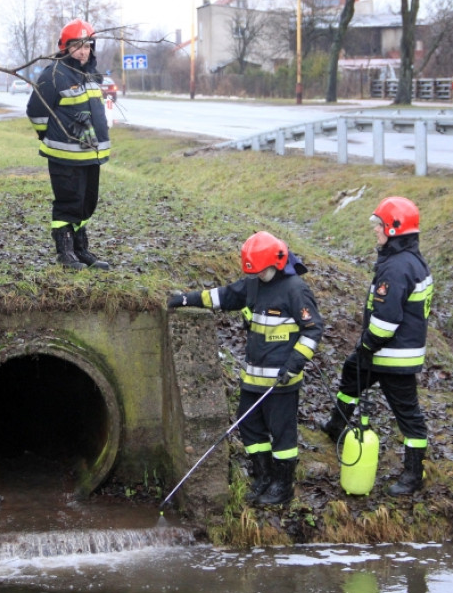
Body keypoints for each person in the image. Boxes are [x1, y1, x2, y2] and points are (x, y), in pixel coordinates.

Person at [168, 231, 324, 506]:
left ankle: (282, 485)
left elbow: (312, 331)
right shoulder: (253, 283)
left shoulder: (295, 290)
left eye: (261, 271)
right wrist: (185, 299)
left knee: (282, 434)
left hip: (281, 381)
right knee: (249, 425)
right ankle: (262, 475)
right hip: (253, 378)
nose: (257, 276)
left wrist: (294, 364)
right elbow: (223, 296)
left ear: (275, 263)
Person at [321, 196, 433, 495]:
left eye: (379, 226)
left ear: (394, 229)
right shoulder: (409, 260)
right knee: (351, 374)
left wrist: (367, 345)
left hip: (391, 355)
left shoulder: (396, 268)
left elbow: (386, 320)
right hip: (389, 351)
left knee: (408, 416)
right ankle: (335, 426)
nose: (375, 231)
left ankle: (413, 474)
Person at [26, 19, 111, 270]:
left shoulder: (92, 75)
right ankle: (65, 252)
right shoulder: (53, 75)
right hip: (64, 154)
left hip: (90, 155)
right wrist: (49, 136)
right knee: (68, 201)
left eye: (87, 45)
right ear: (65, 47)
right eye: (77, 46)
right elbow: (35, 111)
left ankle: (80, 248)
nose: (83, 51)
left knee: (86, 202)